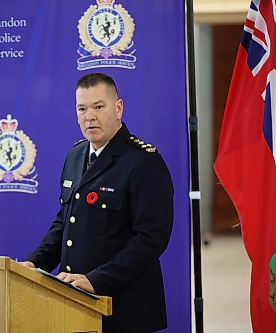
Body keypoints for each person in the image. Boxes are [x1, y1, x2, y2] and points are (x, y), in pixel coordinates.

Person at [22, 73, 174, 332]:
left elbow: (151, 239)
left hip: (123, 308)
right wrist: (34, 264)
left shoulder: (144, 162)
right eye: (82, 108)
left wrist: (96, 281)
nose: (89, 116)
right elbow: (65, 222)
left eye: (98, 106)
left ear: (118, 108)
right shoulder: (75, 155)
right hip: (76, 303)